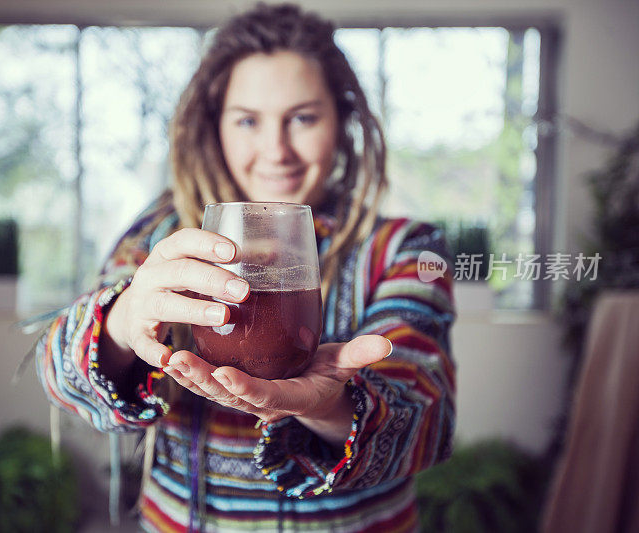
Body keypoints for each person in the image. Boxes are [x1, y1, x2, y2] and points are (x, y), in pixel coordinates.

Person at [34, 3, 456, 532]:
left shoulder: (405, 249)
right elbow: (60, 377)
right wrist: (122, 324)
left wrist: (328, 406)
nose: (275, 150)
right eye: (248, 120)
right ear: (216, 127)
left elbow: (428, 420)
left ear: (342, 122)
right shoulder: (164, 236)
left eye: (303, 118)